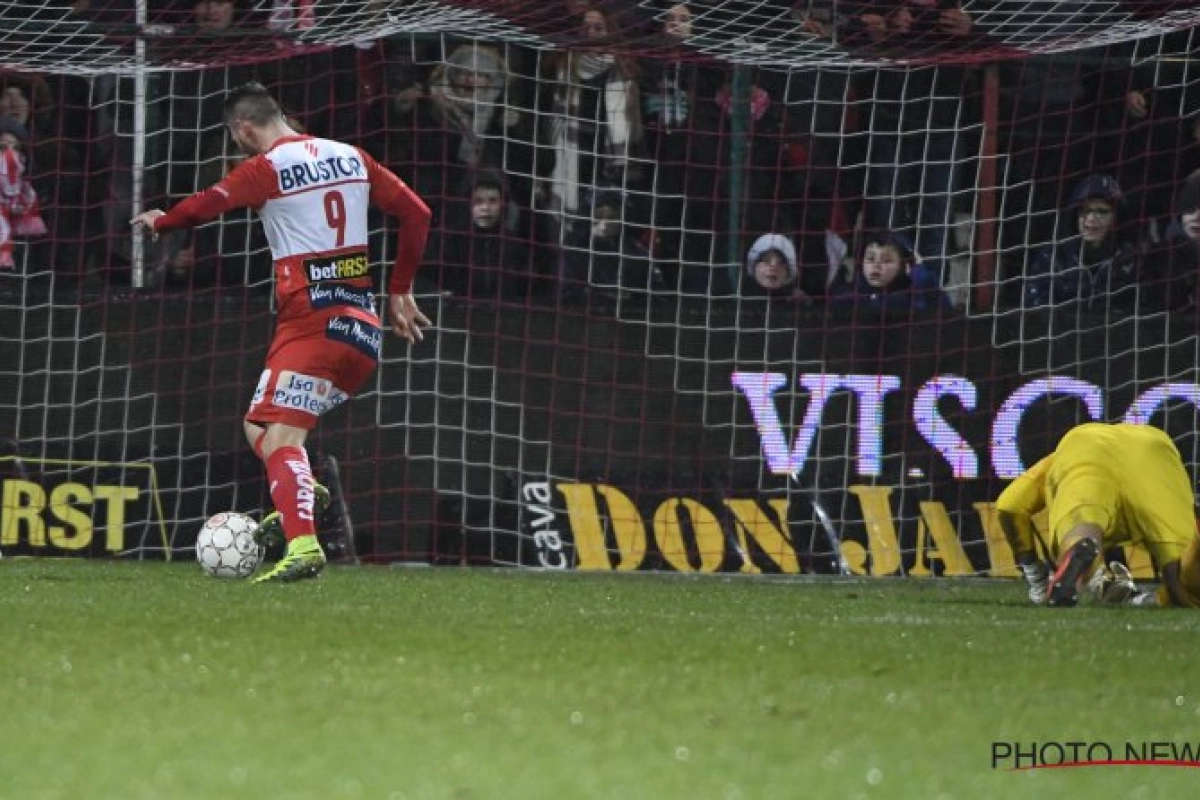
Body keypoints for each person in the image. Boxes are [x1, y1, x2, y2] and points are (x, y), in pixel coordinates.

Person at [130, 82, 432, 583]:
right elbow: (417, 213)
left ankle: (304, 545)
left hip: (312, 322)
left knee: (282, 437)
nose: (236, 146)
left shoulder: (265, 168)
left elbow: (208, 204)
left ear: (244, 128)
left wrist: (164, 222)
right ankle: (301, 490)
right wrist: (400, 290)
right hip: (362, 326)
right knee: (260, 427)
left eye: (234, 137)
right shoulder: (352, 156)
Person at [995, 422, 1200, 608]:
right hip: (1152, 451)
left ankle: (1081, 554)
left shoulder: (1057, 460)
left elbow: (1008, 506)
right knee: (1182, 585)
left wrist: (1036, 576)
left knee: (1081, 529)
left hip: (1084, 448)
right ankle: (1147, 599)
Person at [1021, 173, 1146, 316]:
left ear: (1116, 218)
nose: (1091, 218)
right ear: (1075, 215)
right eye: (1085, 210)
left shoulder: (1131, 262)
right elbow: (1033, 313)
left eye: (1102, 211)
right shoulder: (1052, 258)